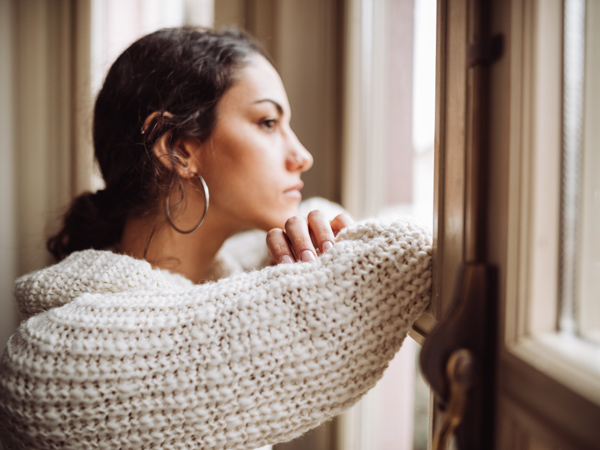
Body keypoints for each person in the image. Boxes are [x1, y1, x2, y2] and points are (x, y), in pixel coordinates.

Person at [0, 28, 431, 449]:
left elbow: (318, 219)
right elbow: (398, 256)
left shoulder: (221, 281)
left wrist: (325, 229)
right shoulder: (58, 357)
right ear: (178, 149)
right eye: (267, 122)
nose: (302, 155)